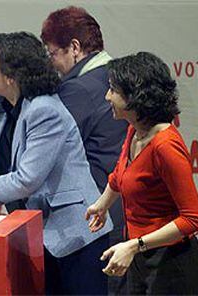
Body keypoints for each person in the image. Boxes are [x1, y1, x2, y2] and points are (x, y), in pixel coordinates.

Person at [0, 32, 112, 295]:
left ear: (11, 76)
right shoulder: (5, 102)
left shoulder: (44, 110)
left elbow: (26, 180)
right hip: (40, 235)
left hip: (74, 236)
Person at [85, 52, 198, 295]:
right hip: (140, 255)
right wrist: (103, 204)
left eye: (113, 90)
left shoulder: (165, 146)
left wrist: (135, 245)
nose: (107, 96)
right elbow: (120, 174)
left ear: (134, 96)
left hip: (171, 264)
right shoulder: (135, 130)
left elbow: (192, 219)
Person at [40, 7, 129, 293]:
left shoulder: (78, 89)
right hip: (122, 213)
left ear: (75, 48)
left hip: (93, 221)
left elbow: (47, 152)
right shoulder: (118, 76)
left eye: (53, 53)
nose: (51, 63)